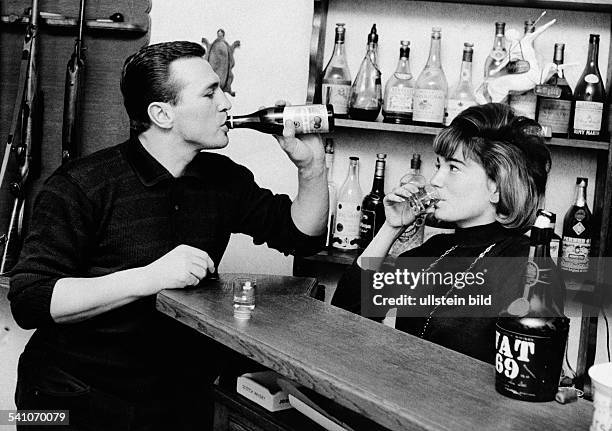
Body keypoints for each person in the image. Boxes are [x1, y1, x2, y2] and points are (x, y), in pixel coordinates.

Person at [8, 41, 327, 430]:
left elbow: (301, 236)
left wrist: (312, 170)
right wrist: (150, 276)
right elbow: (30, 299)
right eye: (211, 93)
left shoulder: (223, 179)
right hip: (63, 398)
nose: (227, 102)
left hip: (172, 400)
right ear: (161, 114)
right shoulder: (80, 185)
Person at [332, 103, 560, 364]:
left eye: (453, 167)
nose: (436, 180)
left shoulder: (526, 266)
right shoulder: (432, 251)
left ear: (497, 187)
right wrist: (391, 228)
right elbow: (346, 319)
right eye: (438, 165)